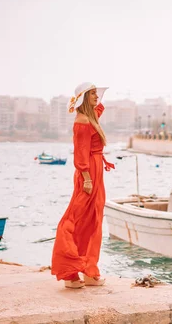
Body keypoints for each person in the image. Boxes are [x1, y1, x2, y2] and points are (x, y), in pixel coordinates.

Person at [51, 82, 115, 289]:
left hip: (96, 173)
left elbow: (98, 109)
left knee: (93, 220)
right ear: (84, 97)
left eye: (97, 93)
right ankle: (69, 271)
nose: (97, 97)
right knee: (77, 219)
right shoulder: (82, 122)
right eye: (93, 94)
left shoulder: (91, 118)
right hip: (88, 174)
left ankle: (89, 271)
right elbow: (80, 154)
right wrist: (87, 178)